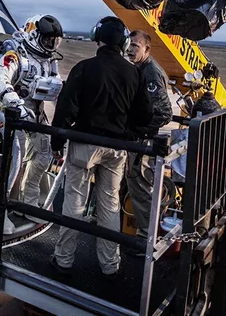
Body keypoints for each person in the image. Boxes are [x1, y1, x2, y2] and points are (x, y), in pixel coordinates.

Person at [50, 16, 154, 279]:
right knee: (109, 204)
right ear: (123, 42)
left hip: (84, 145)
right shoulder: (134, 72)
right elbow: (145, 115)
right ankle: (110, 265)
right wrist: (128, 131)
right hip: (115, 148)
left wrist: (56, 142)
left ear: (97, 37)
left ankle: (63, 260)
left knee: (74, 201)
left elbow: (65, 109)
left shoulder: (84, 68)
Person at [0, 14, 64, 224]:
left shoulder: (49, 60)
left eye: (55, 41)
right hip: (12, 115)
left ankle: (28, 203)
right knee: (13, 162)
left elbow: (54, 85)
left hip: (36, 115)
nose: (51, 45)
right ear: (34, 35)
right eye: (48, 40)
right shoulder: (15, 54)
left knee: (43, 156)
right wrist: (16, 104)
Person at [124, 30, 173, 241]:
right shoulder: (137, 69)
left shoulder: (150, 73)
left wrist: (139, 131)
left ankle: (146, 238)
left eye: (136, 46)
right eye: (129, 44)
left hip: (142, 142)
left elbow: (164, 112)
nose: (130, 49)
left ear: (146, 49)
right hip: (134, 139)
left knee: (141, 189)